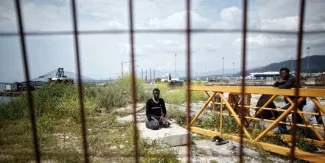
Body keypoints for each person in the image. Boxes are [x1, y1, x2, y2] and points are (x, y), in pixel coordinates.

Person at [273, 67, 306, 134]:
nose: (282, 75)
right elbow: (274, 87)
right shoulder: (286, 80)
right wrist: (277, 82)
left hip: (298, 101)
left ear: (287, 73)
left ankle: (283, 131)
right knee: (296, 117)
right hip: (294, 101)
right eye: (281, 74)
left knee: (281, 112)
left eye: (283, 74)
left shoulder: (292, 78)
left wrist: (280, 83)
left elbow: (286, 87)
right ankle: (300, 132)